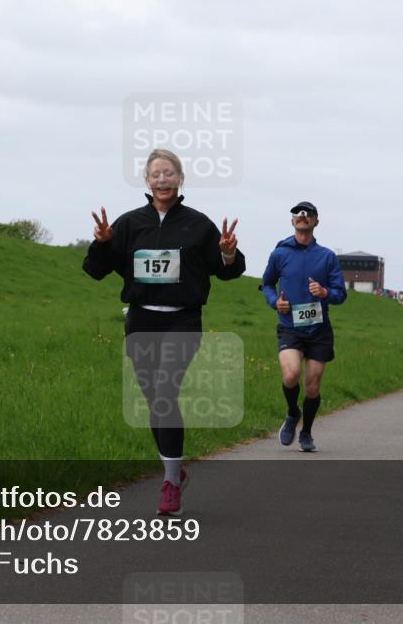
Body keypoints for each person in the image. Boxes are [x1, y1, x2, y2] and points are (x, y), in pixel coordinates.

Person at [83, 149, 245, 515]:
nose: (162, 179)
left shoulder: (198, 225)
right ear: (146, 180)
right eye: (156, 174)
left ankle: (170, 482)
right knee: (155, 400)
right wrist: (104, 242)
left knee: (165, 391)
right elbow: (95, 270)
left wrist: (228, 254)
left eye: (169, 173)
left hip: (182, 320)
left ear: (180, 178)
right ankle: (175, 470)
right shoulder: (128, 224)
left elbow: (228, 272)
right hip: (141, 320)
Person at [261, 201, 346, 452]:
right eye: (297, 214)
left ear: (316, 221)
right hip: (290, 326)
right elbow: (267, 284)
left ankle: (306, 432)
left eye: (308, 214)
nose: (302, 216)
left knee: (312, 386)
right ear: (292, 221)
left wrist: (325, 291)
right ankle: (291, 413)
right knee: (290, 374)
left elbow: (341, 294)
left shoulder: (327, 256)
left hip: (319, 329)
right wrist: (275, 302)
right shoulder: (280, 253)